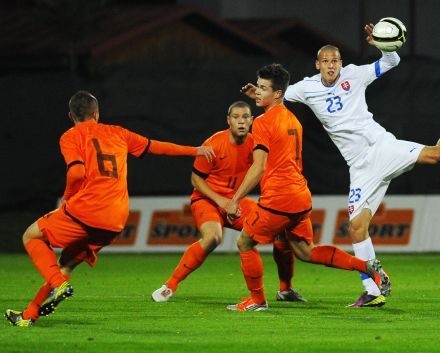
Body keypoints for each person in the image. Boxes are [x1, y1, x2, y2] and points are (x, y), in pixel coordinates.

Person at [241, 24, 440, 307]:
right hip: (360, 168)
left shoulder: (355, 74)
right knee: (356, 227)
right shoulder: (306, 88)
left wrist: (382, 44)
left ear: (341, 62)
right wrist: (257, 93)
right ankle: (373, 289)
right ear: (317, 64)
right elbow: (277, 94)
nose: (332, 65)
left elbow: (392, 61)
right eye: (326, 61)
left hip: (382, 148)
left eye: (335, 60)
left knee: (436, 154)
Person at [5, 90, 215, 327]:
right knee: (64, 265)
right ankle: (28, 315)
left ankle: (57, 284)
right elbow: (156, 146)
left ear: (71, 116)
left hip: (87, 209)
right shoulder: (118, 133)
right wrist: (194, 150)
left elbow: (76, 172)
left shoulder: (71, 135)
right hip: (116, 218)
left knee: (31, 235)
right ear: (96, 113)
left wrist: (67, 197)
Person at [224, 63, 389, 311]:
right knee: (305, 251)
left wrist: (235, 199)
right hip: (300, 196)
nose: (257, 91)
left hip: (278, 198)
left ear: (277, 93)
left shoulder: (262, 122)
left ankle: (257, 301)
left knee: (244, 243)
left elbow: (258, 167)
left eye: (262, 88)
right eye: (257, 86)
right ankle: (365, 266)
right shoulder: (292, 119)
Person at [151, 101, 305, 303]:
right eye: (236, 117)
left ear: (251, 121)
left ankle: (285, 290)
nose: (241, 121)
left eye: (245, 117)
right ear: (228, 120)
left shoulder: (255, 143)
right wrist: (223, 202)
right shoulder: (214, 143)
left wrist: (235, 201)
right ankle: (170, 285)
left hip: (236, 201)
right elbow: (195, 180)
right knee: (213, 237)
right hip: (207, 200)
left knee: (281, 233)